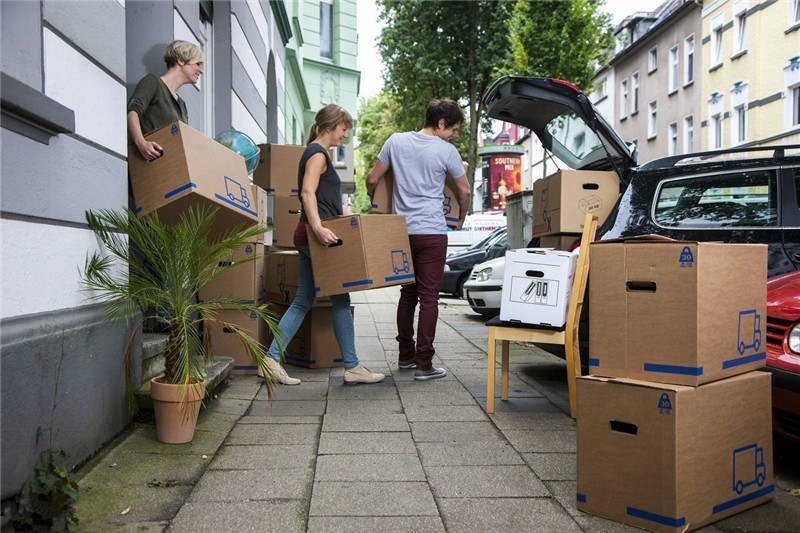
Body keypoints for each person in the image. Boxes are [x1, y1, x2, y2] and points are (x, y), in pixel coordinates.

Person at [264, 104, 385, 386]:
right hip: (316, 236)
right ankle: (352, 366)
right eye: (344, 129)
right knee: (340, 298)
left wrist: (353, 219)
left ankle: (270, 360)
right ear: (332, 125)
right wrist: (318, 227)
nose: (345, 135)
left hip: (311, 235)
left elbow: (325, 200)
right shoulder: (317, 154)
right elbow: (306, 193)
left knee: (304, 300)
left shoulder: (320, 154)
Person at [365, 99, 471, 381]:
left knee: (407, 295)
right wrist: (461, 218)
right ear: (440, 123)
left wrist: (376, 201)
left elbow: (373, 178)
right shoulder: (447, 151)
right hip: (432, 232)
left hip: (401, 232)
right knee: (429, 299)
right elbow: (464, 190)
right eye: (454, 129)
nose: (454, 135)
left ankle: (404, 356)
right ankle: (424, 364)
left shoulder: (395, 142)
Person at [127, 40, 205, 161]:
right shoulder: (153, 82)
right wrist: (141, 143)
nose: (201, 70)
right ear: (181, 60)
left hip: (172, 170)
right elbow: (132, 112)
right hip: (148, 165)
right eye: (198, 64)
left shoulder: (182, 105)